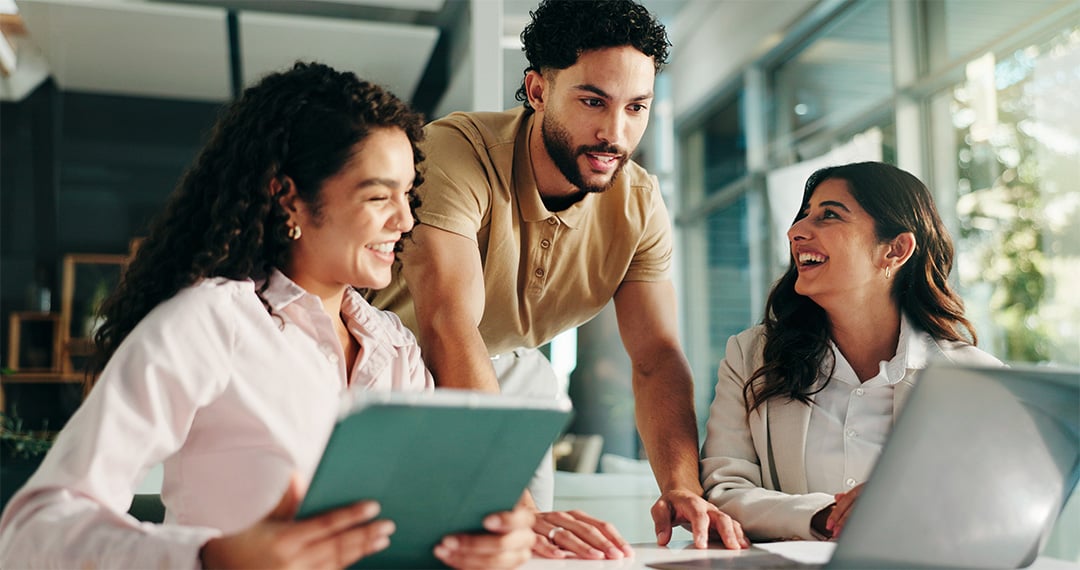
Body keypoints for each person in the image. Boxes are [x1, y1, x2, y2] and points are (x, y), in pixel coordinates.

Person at [0, 62, 534, 570]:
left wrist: (486, 535)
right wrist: (214, 558)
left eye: (406, 195)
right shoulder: (210, 323)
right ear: (289, 198)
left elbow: (423, 513)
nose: (403, 219)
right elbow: (31, 532)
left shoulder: (394, 346)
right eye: (378, 196)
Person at [367, 0, 747, 558]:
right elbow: (448, 325)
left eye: (636, 108)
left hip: (512, 380)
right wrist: (513, 503)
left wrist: (682, 488)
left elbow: (656, 357)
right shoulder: (455, 153)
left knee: (532, 553)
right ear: (538, 90)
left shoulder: (639, 203)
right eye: (593, 101)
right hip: (395, 373)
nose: (615, 133)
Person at [700, 161, 1002, 543]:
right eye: (803, 216)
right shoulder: (751, 355)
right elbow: (722, 489)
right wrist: (824, 516)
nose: (795, 231)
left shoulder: (974, 378)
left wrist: (904, 506)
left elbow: (993, 505)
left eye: (829, 215)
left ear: (895, 249)